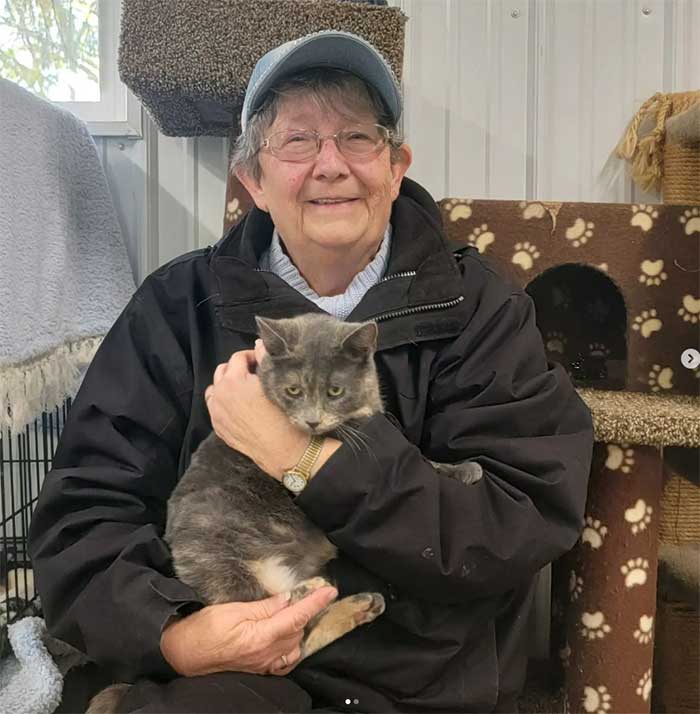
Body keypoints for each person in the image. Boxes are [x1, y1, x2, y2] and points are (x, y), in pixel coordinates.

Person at [29, 30, 594, 713]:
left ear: (395, 167)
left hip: (414, 679)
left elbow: (520, 517)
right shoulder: (175, 309)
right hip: (219, 671)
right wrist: (173, 631)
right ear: (253, 181)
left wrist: (304, 461)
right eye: (297, 141)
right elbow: (83, 515)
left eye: (358, 137)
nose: (331, 165)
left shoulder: (481, 312)